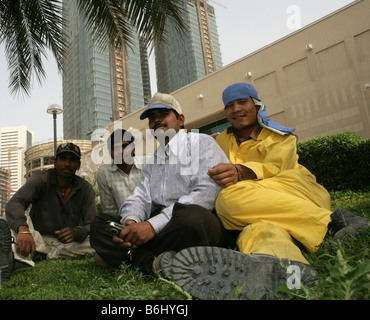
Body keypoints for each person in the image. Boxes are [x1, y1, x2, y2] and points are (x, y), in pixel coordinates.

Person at [168, 83, 370, 300]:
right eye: (230, 106)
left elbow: (276, 167)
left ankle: (332, 222)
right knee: (260, 230)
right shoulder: (219, 141)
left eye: (242, 102)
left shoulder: (280, 136)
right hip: (257, 211)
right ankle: (292, 277)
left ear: (256, 106)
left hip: (293, 192)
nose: (236, 109)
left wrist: (239, 171)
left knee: (230, 198)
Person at [90, 92, 234, 276]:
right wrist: (131, 222)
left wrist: (152, 226)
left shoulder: (201, 143)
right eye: (152, 118)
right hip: (162, 230)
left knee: (191, 218)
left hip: (194, 223)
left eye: (163, 114)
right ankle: (156, 263)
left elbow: (206, 194)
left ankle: (126, 257)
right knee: (100, 224)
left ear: (180, 120)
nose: (157, 121)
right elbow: (141, 196)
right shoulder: (154, 161)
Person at [0, 142, 97, 280]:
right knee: (11, 217)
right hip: (37, 238)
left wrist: (76, 232)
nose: (67, 164)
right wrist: (23, 230)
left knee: (98, 240)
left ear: (78, 165)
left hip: (68, 244)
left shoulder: (85, 189)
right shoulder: (41, 179)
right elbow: (15, 202)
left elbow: (92, 223)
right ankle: (20, 254)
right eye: (63, 159)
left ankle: (30, 256)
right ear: (55, 162)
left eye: (72, 160)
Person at [97, 129, 143, 215]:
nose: (121, 151)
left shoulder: (147, 165)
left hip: (152, 220)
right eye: (116, 148)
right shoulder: (105, 174)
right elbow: (109, 211)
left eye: (125, 146)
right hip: (124, 223)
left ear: (133, 149)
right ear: (111, 153)